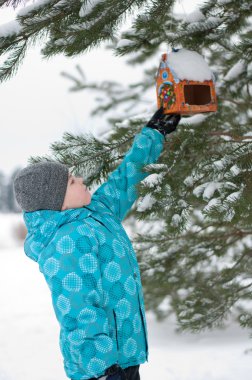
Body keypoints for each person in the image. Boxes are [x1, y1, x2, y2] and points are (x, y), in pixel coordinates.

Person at [13, 107, 180, 380]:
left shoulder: (98, 210)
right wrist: (101, 367)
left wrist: (155, 132)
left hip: (124, 356)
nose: (80, 180)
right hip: (103, 369)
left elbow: (127, 177)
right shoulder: (65, 243)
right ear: (59, 203)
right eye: (71, 181)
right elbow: (77, 310)